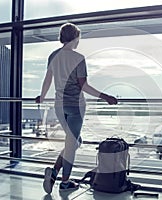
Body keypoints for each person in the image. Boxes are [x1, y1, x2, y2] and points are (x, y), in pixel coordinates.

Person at [35, 22, 117, 194]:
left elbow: (47, 79)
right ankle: (65, 183)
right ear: (75, 38)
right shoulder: (78, 58)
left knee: (74, 142)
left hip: (59, 106)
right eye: (79, 37)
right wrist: (105, 97)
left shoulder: (53, 56)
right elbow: (83, 86)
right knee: (72, 145)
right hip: (75, 107)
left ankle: (54, 172)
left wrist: (41, 97)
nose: (79, 41)